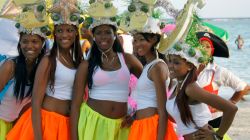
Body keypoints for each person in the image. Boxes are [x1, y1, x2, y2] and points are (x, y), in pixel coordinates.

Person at [6, 0, 83, 139]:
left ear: (76, 33)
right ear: (54, 34)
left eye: (69, 30)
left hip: (66, 124)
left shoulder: (78, 62)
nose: (64, 35)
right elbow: (35, 103)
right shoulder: (48, 60)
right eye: (59, 30)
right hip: (46, 123)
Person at [70, 1, 143, 140]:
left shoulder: (128, 60)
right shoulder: (87, 65)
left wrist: (136, 114)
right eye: (99, 33)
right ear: (94, 36)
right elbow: (75, 104)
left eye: (108, 32)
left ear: (115, 34)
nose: (103, 37)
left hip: (121, 127)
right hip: (92, 122)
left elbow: (149, 85)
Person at [165, 40, 238, 140]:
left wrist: (217, 136)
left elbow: (231, 108)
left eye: (176, 63)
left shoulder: (191, 88)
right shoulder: (176, 84)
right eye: (169, 61)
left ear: (190, 66)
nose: (170, 66)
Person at [0, 1, 49, 140]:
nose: (29, 46)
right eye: (25, 41)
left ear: (42, 44)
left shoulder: (40, 70)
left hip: (14, 126)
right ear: (19, 43)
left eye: (35, 41)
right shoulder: (10, 66)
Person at [196, 32, 250, 127]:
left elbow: (243, 87)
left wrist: (229, 104)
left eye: (207, 47)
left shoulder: (217, 71)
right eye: (200, 45)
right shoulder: (186, 69)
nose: (204, 49)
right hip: (189, 124)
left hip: (210, 123)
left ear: (212, 51)